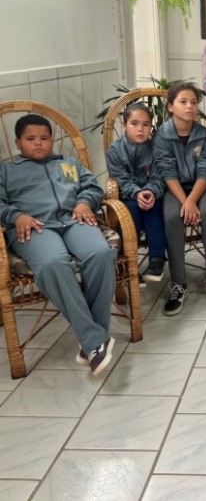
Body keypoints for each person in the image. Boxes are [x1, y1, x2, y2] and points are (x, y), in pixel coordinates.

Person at [0, 115, 117, 376]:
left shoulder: (69, 164)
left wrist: (85, 202)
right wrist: (16, 216)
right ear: (18, 143)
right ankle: (95, 339)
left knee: (100, 253)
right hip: (33, 227)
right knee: (53, 264)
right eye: (31, 139)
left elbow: (93, 187)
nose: (39, 144)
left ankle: (92, 343)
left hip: (73, 219)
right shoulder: (6, 171)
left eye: (44, 138)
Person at [152, 82, 206, 313]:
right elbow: (167, 172)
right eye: (183, 101)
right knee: (172, 215)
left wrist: (192, 200)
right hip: (173, 188)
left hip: (200, 188)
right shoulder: (161, 136)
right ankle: (178, 282)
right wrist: (185, 202)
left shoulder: (204, 135)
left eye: (194, 102)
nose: (190, 106)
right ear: (171, 106)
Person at [106, 103, 166, 282]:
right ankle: (128, 263)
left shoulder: (156, 148)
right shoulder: (115, 150)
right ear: (124, 125)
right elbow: (120, 179)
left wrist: (150, 192)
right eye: (134, 123)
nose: (140, 129)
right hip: (127, 196)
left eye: (146, 124)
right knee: (131, 210)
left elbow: (159, 176)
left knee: (152, 207)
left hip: (153, 195)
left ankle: (157, 259)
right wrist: (137, 193)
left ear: (151, 126)